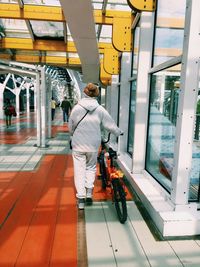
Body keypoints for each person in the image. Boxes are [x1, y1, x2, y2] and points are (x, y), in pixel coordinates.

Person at [68, 83, 123, 210]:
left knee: (79, 170)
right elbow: (110, 125)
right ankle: (89, 193)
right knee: (91, 167)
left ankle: (81, 199)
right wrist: (118, 132)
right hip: (93, 144)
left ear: (85, 93)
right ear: (96, 94)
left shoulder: (77, 108)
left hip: (78, 145)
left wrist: (73, 134)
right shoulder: (100, 109)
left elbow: (71, 127)